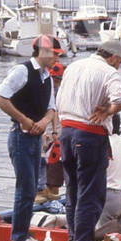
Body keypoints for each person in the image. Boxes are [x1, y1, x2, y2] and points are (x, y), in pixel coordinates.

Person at [56, 39, 121, 241]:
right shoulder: (107, 71)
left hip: (66, 131)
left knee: (73, 191)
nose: (120, 66)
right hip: (89, 134)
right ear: (114, 58)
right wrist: (108, 111)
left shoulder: (75, 66)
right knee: (90, 192)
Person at [0, 34, 63, 241]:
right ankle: (19, 237)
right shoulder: (22, 71)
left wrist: (43, 123)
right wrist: (24, 119)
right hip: (20, 136)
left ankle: (22, 233)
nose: (57, 60)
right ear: (43, 52)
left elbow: (51, 108)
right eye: (55, 54)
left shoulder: (47, 77)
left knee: (32, 188)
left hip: (33, 138)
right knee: (25, 187)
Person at [36, 60, 67, 203]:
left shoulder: (61, 93)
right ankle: (40, 193)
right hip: (45, 134)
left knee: (54, 175)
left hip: (56, 137)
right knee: (42, 167)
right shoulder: (43, 90)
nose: (56, 83)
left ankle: (48, 197)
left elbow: (54, 112)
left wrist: (55, 131)